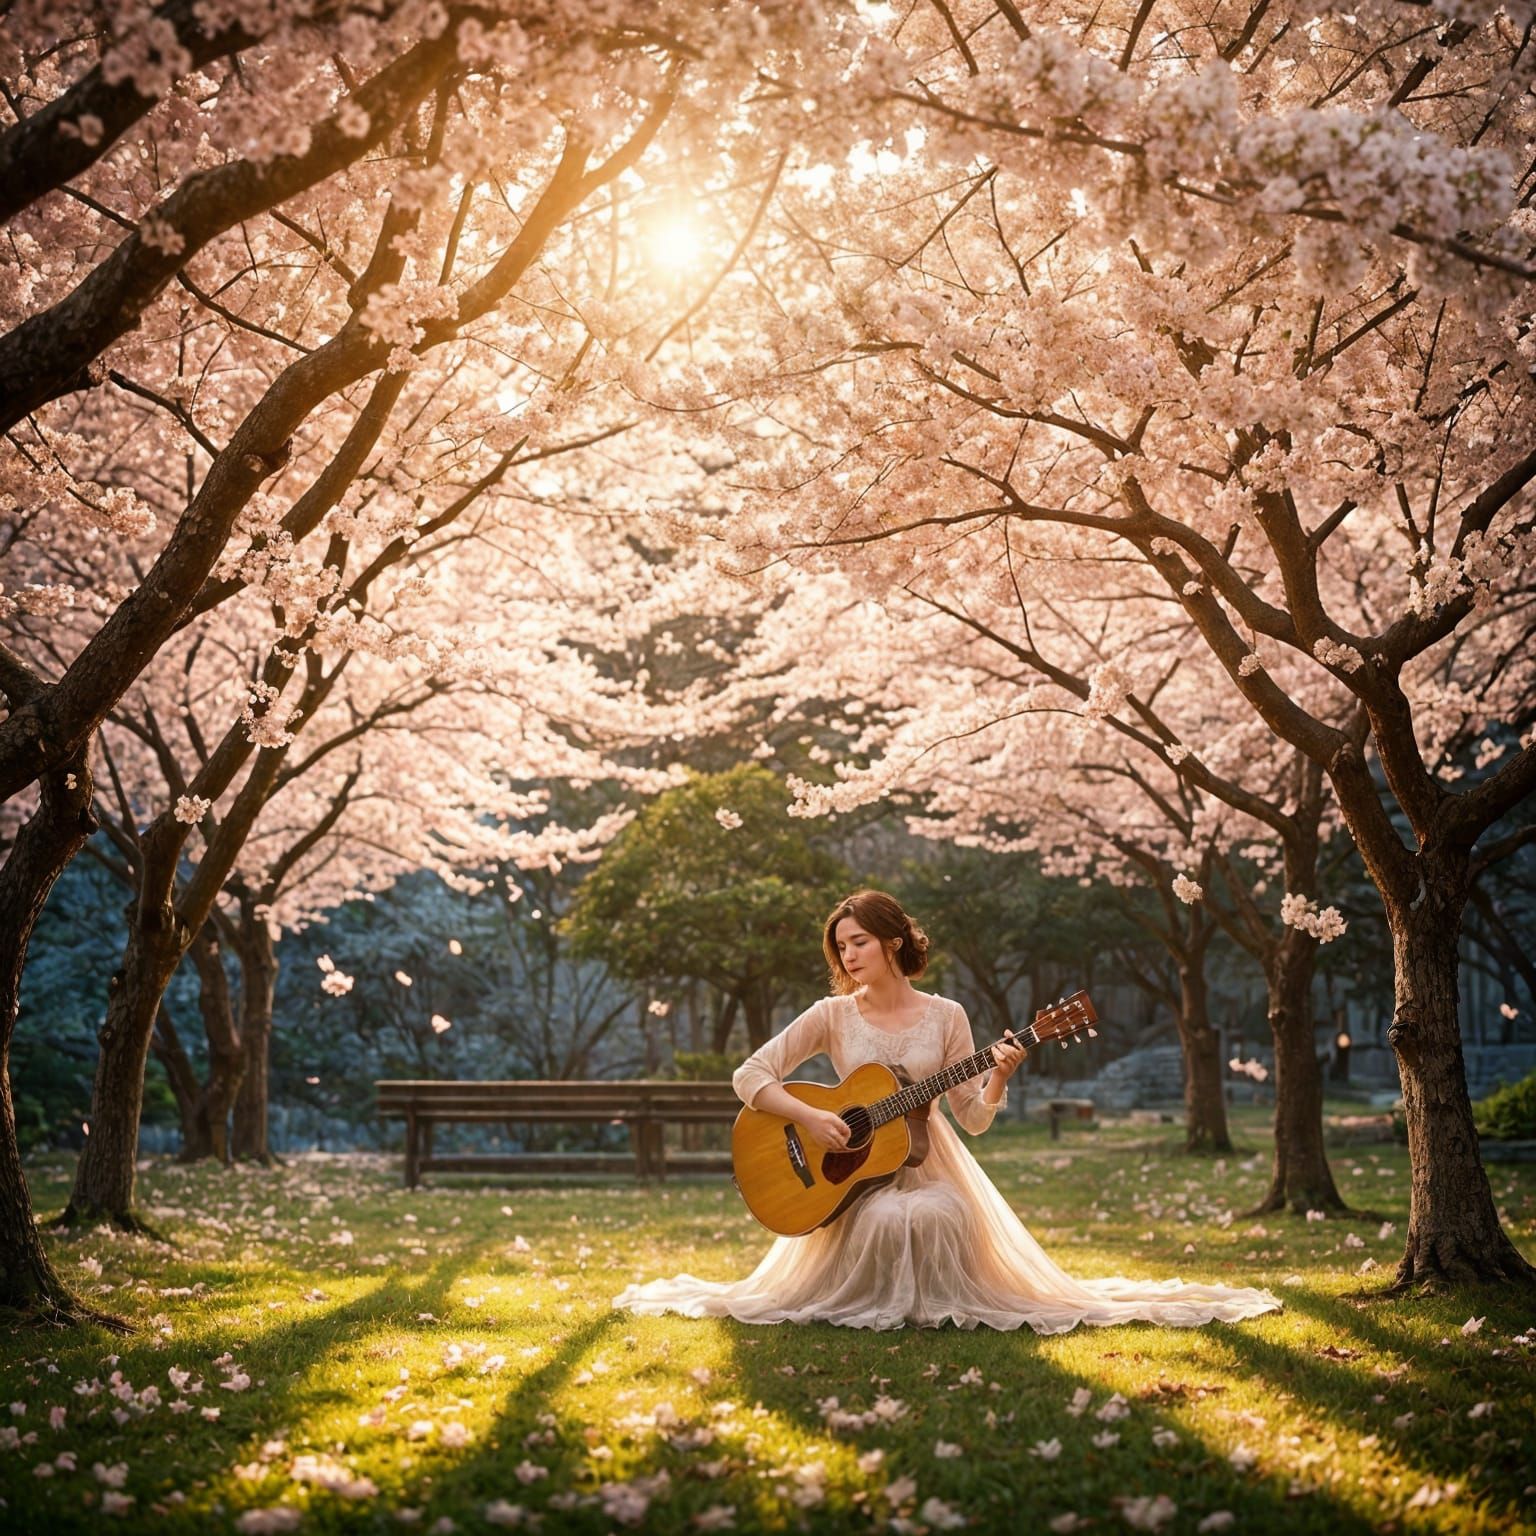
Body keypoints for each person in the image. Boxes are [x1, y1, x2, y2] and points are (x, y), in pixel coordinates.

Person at [613, 889, 1281, 1334]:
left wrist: (998, 1079)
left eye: (859, 942)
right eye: (841, 947)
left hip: (928, 1162)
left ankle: (929, 1309)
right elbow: (749, 1075)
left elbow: (972, 1119)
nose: (848, 956)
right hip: (850, 1173)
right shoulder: (830, 1016)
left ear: (892, 942)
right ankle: (880, 1303)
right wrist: (812, 1118)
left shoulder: (947, 1016)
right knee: (883, 1215)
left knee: (930, 1211)